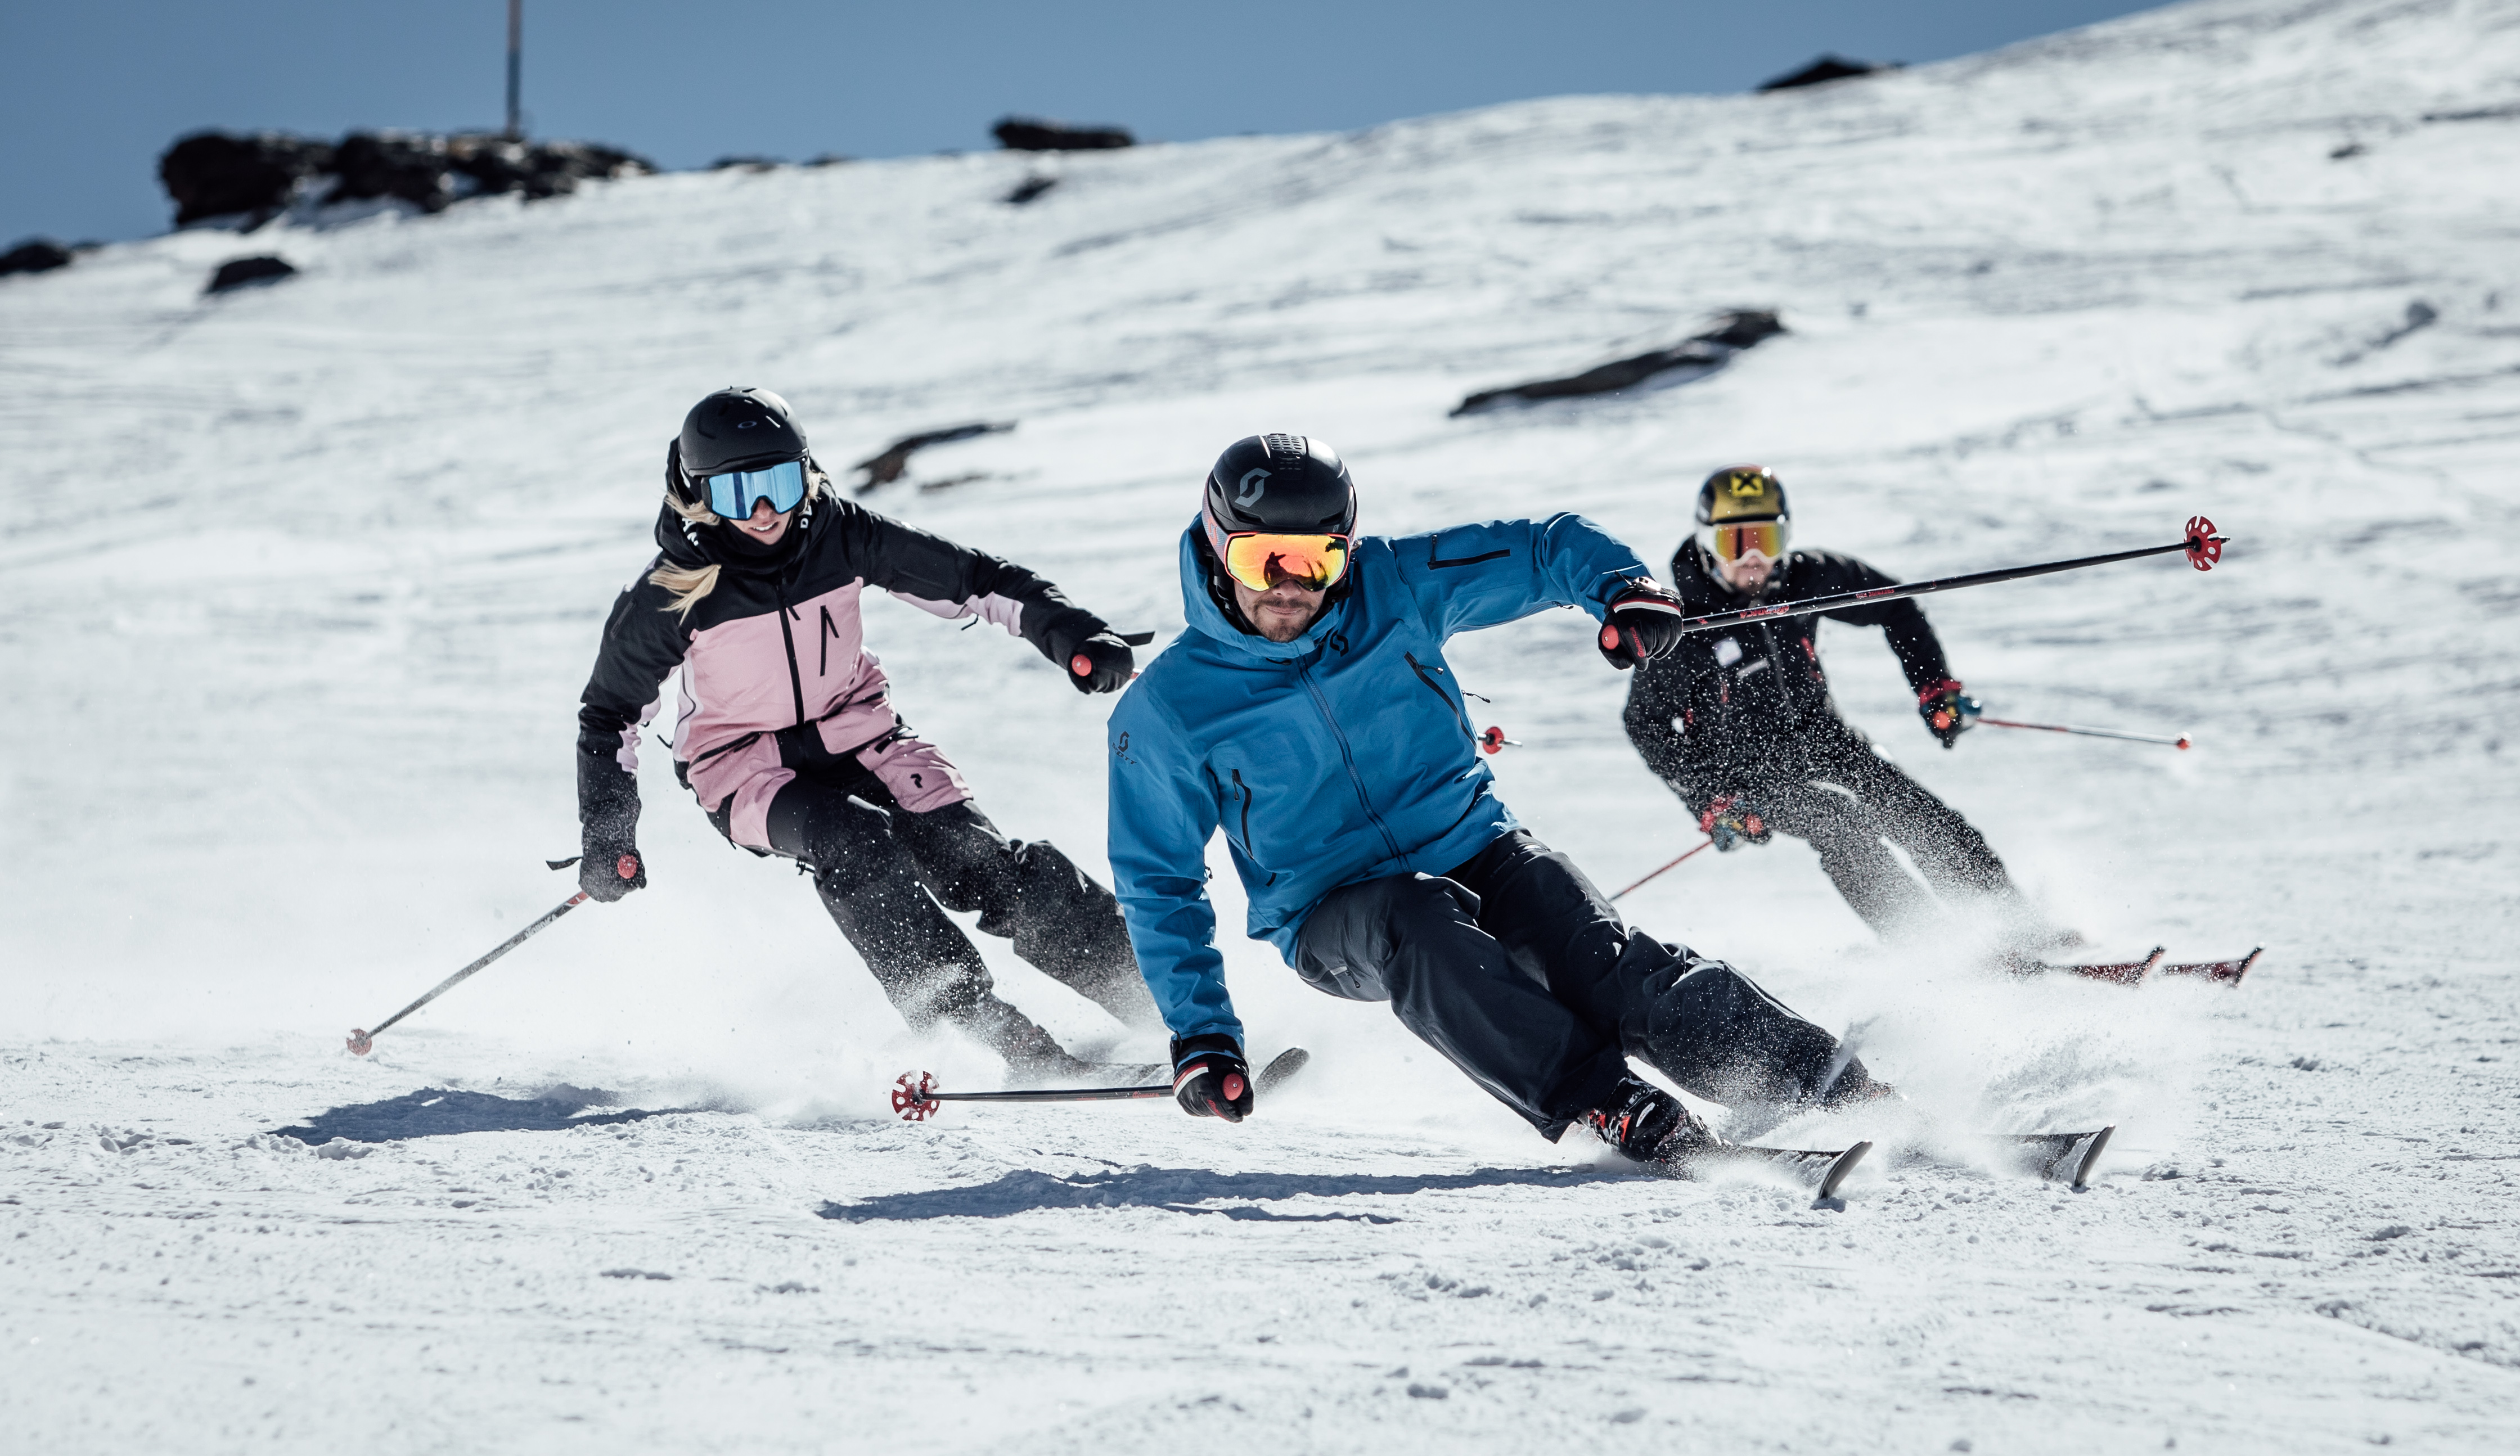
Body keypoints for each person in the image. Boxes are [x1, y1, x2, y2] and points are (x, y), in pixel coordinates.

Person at [1105, 433, 1888, 1162]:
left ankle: (1819, 1076)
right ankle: (1607, 1102)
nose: (1287, 586)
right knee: (1417, 919)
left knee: (1603, 966)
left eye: (1317, 561)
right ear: (1218, 549)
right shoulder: (1170, 707)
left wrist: (1622, 590)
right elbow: (1158, 881)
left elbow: (1544, 548)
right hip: (1330, 910)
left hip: (1476, 842)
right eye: (1261, 559)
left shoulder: (1392, 585)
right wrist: (1202, 1031)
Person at [574, 386, 1156, 1076]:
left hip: (859, 733)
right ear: (699, 494)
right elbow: (609, 715)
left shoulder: (839, 534)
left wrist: (1074, 635)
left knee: (976, 858)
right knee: (852, 841)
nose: (764, 512)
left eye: (779, 484)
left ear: (805, 473)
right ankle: (986, 1035)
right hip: (743, 768)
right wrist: (608, 836)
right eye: (737, 493)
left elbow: (975, 580)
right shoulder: (674, 589)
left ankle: (1164, 1002)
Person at [1622, 465, 2041, 943]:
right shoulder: (1685, 625)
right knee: (1841, 823)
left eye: (1767, 539)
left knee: (1914, 812)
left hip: (1823, 736)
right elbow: (1645, 723)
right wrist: (1709, 797)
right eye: (1736, 543)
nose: (1754, 558)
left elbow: (1897, 605)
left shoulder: (1805, 579)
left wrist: (1933, 687)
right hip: (1749, 773)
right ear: (1706, 544)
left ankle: (2018, 927)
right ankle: (1935, 946)